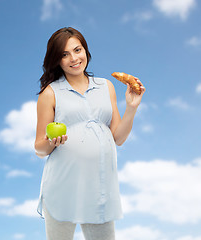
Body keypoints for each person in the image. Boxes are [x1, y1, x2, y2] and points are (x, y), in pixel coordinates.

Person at [34, 27, 145, 240]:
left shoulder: (106, 87)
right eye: (64, 54)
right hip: (62, 188)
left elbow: (118, 138)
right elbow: (39, 148)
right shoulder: (50, 93)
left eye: (78, 50)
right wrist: (51, 142)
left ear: (86, 50)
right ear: (56, 60)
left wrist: (131, 107)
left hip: (99, 189)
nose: (74, 58)